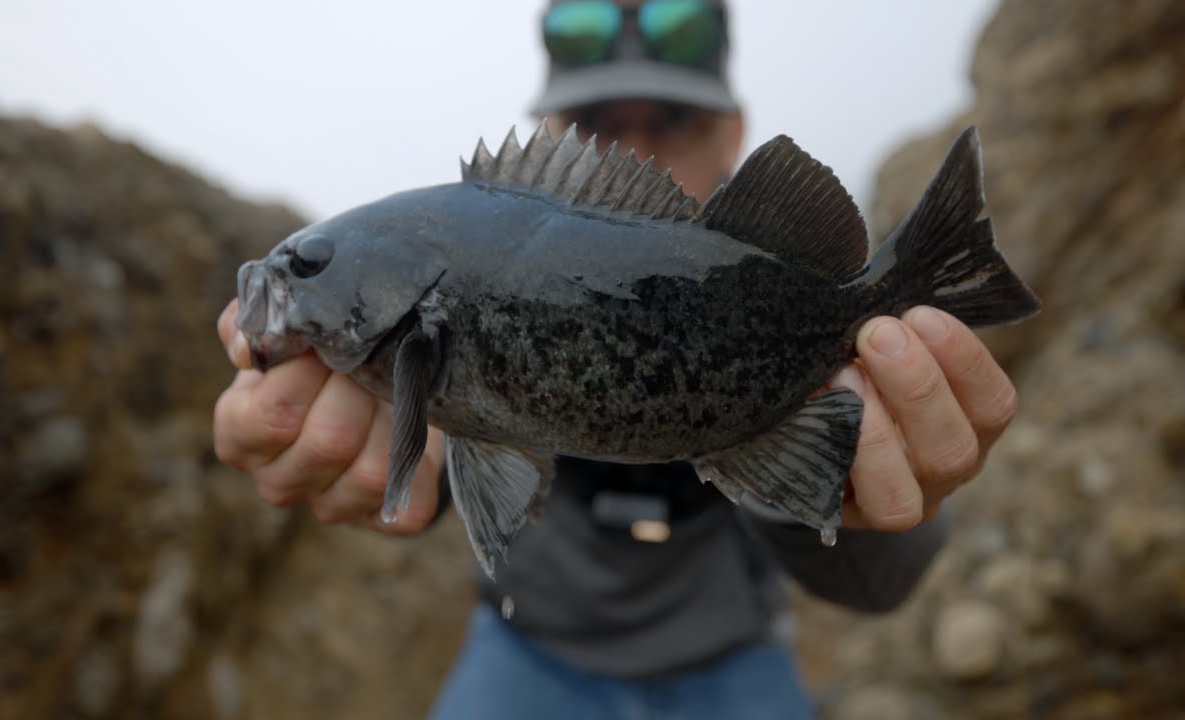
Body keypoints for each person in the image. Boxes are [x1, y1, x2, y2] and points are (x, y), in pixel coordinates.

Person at [214, 1, 1021, 717]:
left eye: (672, 119)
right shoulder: (422, 333)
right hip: (529, 654)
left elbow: (886, 582)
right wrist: (403, 466)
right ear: (552, 137)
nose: (635, 147)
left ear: (734, 133)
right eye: (599, 121)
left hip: (735, 660)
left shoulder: (782, 281)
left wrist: (856, 484)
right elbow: (453, 470)